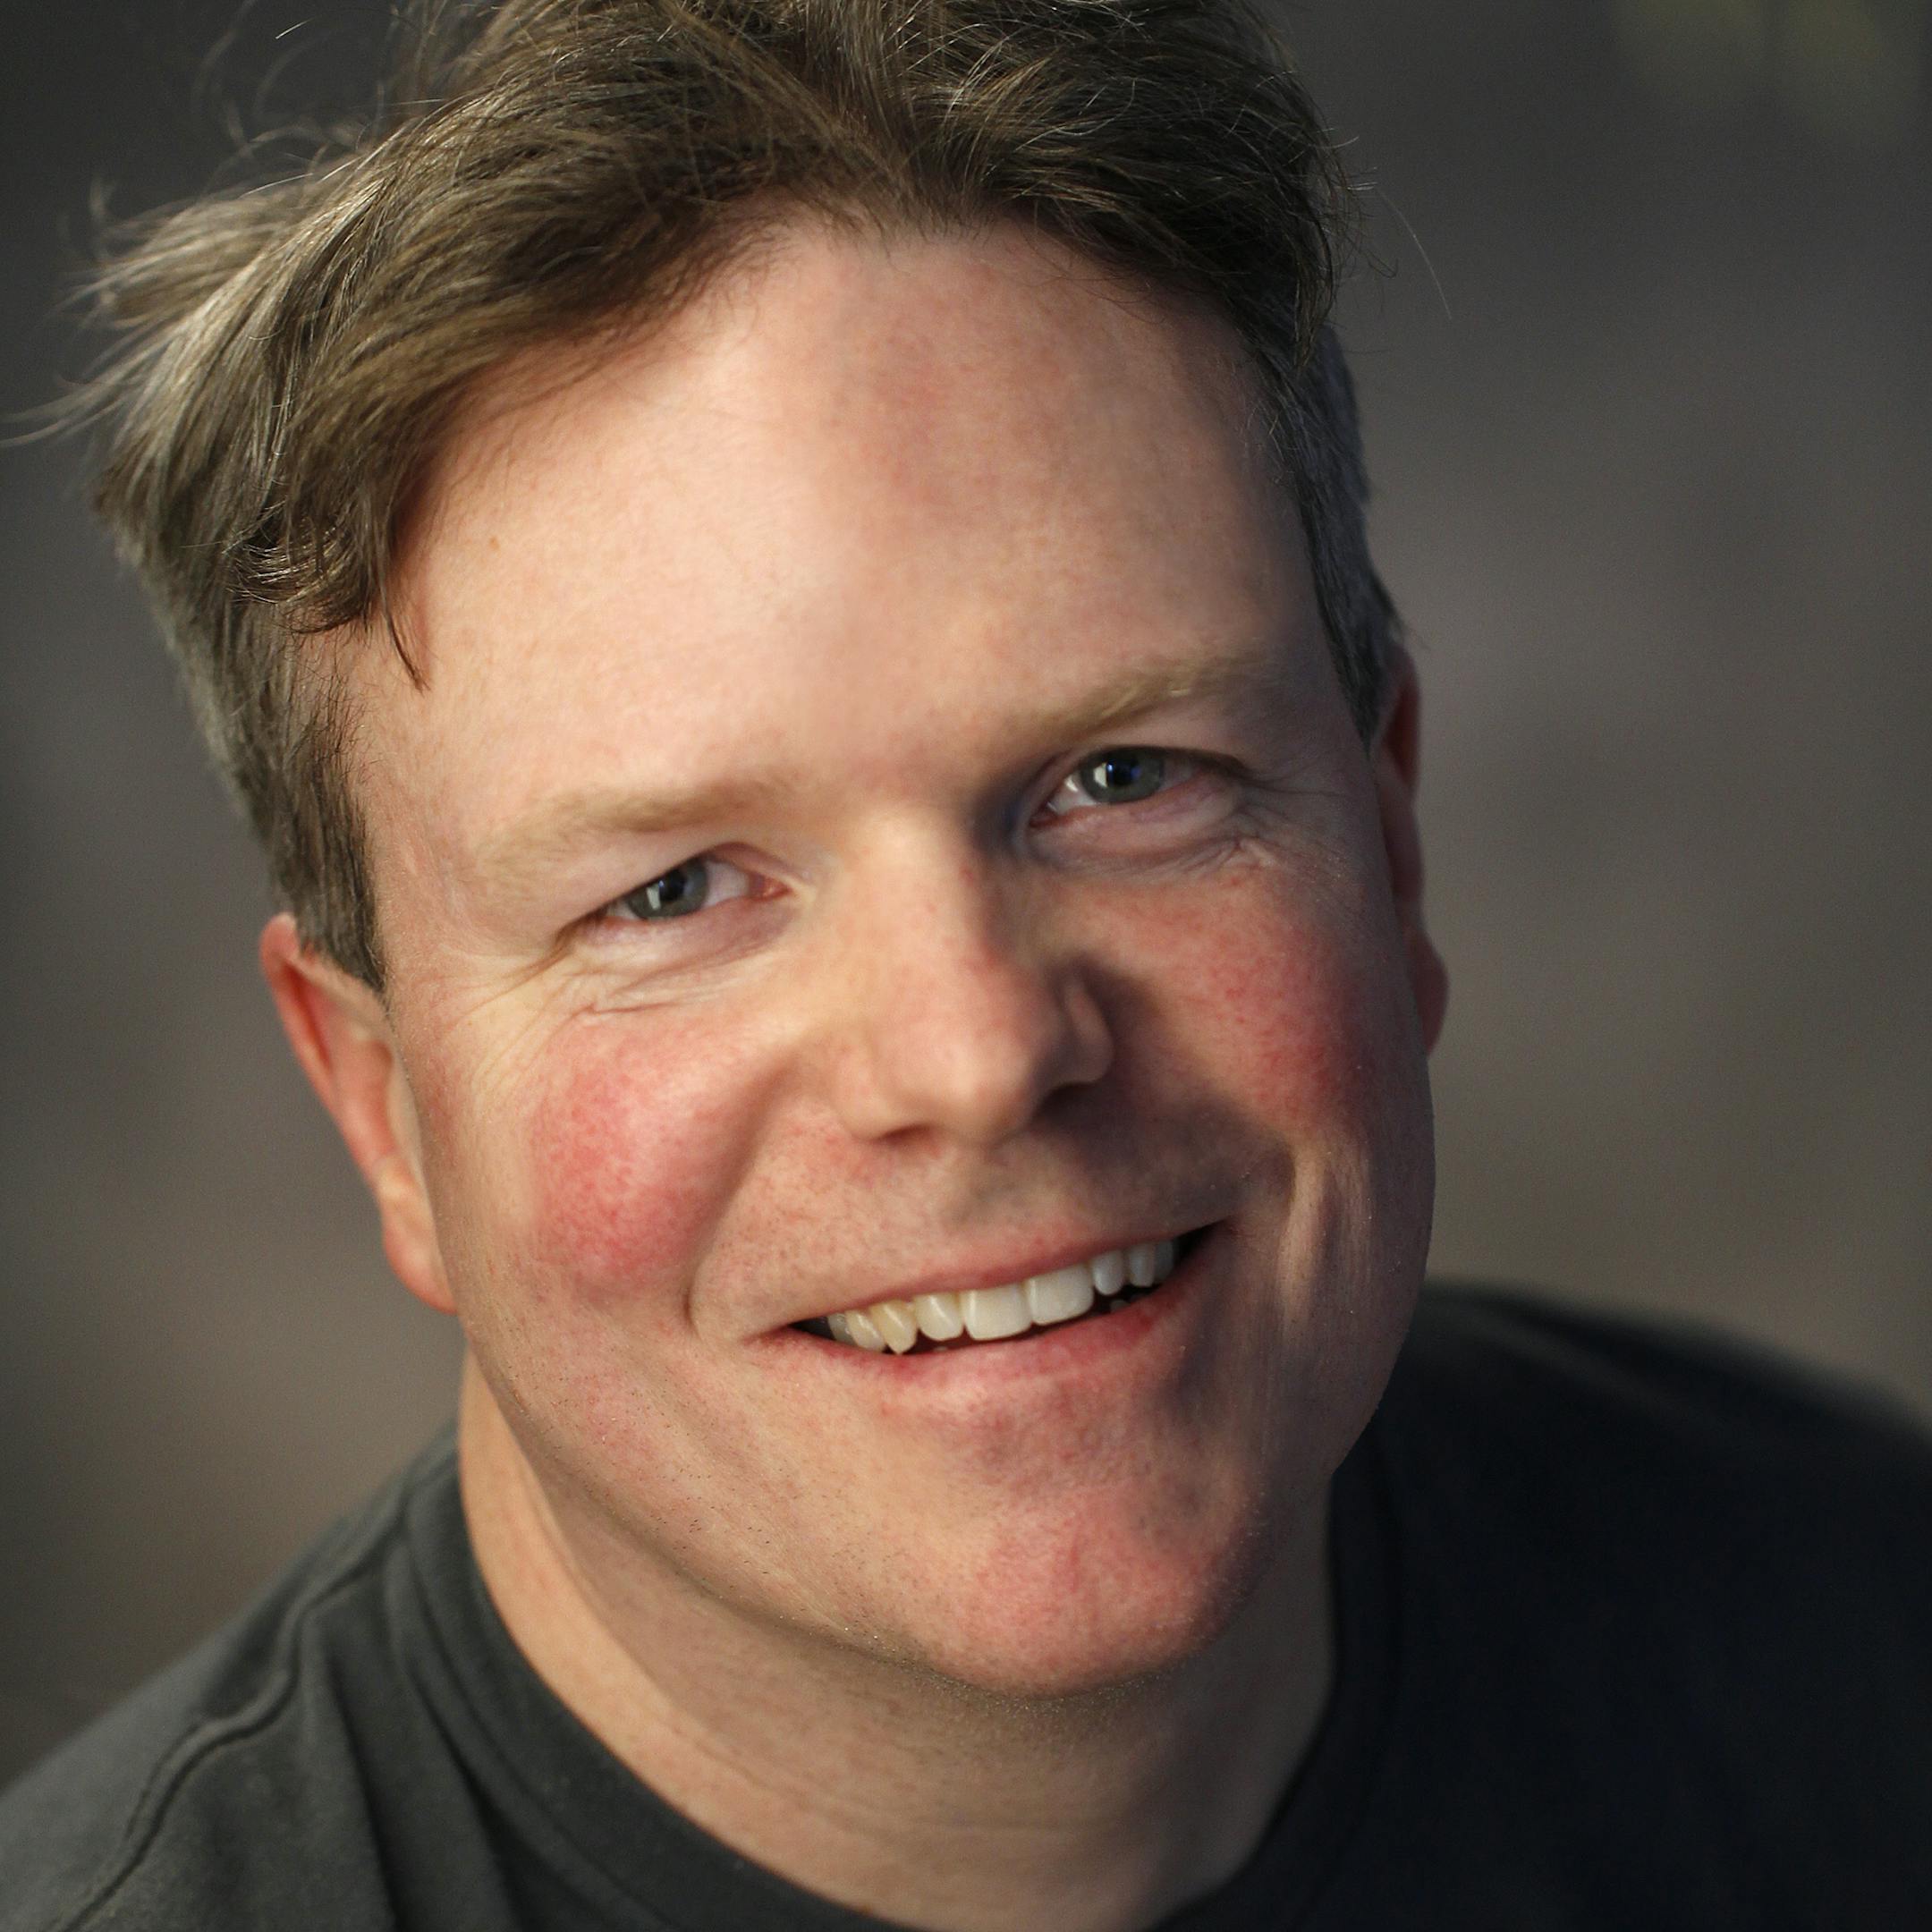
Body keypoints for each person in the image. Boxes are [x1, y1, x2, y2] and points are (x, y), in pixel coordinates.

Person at [3, 2, 1928, 1926]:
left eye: (1122, 779)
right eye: (674, 891)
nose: (982, 1047)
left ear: (1391, 842)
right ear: (384, 1112)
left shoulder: (1865, 1632)